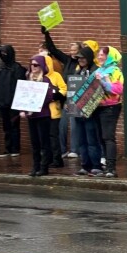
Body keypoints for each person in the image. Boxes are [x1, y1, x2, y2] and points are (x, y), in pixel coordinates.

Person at [43, 27, 82, 160]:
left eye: (75, 51)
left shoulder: (81, 63)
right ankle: (62, 149)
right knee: (62, 124)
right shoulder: (67, 60)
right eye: (71, 51)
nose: (72, 53)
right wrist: (47, 34)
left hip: (76, 97)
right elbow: (53, 50)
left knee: (74, 123)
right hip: (65, 97)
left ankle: (75, 150)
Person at [21, 56, 57, 176]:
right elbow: (23, 96)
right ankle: (35, 166)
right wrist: (23, 109)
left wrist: (38, 102)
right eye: (32, 65)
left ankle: (44, 166)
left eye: (36, 65)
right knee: (34, 142)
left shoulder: (45, 80)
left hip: (43, 115)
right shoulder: (28, 79)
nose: (33, 67)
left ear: (41, 66)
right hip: (32, 116)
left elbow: (49, 97)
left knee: (44, 142)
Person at [70, 47, 102, 176]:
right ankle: (85, 165)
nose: (80, 60)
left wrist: (88, 107)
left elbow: (98, 91)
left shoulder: (95, 71)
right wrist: (70, 105)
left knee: (92, 140)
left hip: (91, 113)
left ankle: (96, 165)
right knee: (81, 140)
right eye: (79, 58)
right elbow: (73, 90)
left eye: (83, 58)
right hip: (78, 112)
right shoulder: (79, 72)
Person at [94, 46, 124, 178]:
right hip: (98, 107)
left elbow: (118, 89)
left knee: (108, 137)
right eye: (99, 55)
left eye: (102, 55)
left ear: (110, 56)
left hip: (111, 107)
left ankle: (111, 168)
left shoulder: (115, 71)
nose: (99, 57)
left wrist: (103, 82)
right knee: (101, 137)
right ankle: (106, 166)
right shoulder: (99, 70)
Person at [43, 54, 67, 168]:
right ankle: (47, 158)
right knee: (45, 136)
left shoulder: (56, 75)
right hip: (41, 112)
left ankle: (57, 159)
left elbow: (64, 88)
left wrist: (57, 95)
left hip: (53, 111)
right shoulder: (36, 76)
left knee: (53, 136)